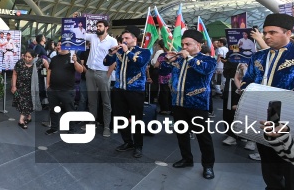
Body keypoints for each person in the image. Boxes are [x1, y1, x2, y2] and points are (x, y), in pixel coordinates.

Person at [239, 13, 294, 190]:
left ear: (288, 33)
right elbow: (249, 80)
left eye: (273, 32)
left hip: (293, 115)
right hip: (262, 113)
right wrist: (244, 92)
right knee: (267, 155)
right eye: (265, 32)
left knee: (292, 160)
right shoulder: (258, 57)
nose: (267, 36)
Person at [162, 30, 216, 179]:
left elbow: (205, 71)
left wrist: (190, 58)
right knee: (181, 133)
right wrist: (168, 60)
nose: (184, 47)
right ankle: (186, 159)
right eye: (183, 44)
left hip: (197, 104)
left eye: (188, 44)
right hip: (178, 102)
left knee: (203, 137)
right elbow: (163, 71)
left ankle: (208, 166)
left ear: (198, 45)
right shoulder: (179, 59)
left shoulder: (208, 59)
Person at [106, 26, 151, 157]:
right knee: (121, 118)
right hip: (119, 89)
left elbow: (140, 63)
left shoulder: (144, 51)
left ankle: (138, 145)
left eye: (127, 38)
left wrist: (127, 52)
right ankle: (127, 141)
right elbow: (106, 62)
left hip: (135, 91)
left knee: (137, 119)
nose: (123, 40)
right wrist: (111, 53)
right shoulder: (119, 51)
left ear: (134, 39)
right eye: (122, 38)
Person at [84, 19, 118, 137]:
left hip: (103, 73)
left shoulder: (112, 41)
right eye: (96, 26)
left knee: (106, 102)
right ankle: (92, 123)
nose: (97, 28)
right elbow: (79, 33)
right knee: (92, 100)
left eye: (99, 26)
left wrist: (107, 75)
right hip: (90, 72)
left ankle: (107, 127)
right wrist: (76, 19)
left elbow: (114, 60)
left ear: (106, 27)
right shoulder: (93, 37)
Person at [45, 41, 84, 134]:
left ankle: (72, 129)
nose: (58, 47)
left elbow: (81, 70)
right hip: (53, 89)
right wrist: (47, 85)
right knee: (53, 110)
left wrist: (75, 61)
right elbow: (49, 71)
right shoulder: (54, 58)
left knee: (69, 110)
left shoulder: (73, 57)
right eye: (57, 45)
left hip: (67, 90)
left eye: (60, 45)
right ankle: (54, 127)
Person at [11, 49, 48, 129]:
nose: (27, 58)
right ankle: (28, 117)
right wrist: (13, 86)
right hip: (20, 86)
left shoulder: (36, 62)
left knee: (28, 103)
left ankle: (21, 120)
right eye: (25, 56)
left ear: (33, 57)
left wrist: (49, 71)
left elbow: (45, 61)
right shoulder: (20, 63)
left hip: (31, 87)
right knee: (22, 103)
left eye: (29, 57)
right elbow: (14, 73)